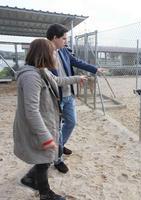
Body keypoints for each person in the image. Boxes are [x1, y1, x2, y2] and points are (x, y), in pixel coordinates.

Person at [13, 38, 86, 200]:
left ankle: (30, 178)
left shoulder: (42, 70)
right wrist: (46, 137)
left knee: (50, 153)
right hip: (38, 125)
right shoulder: (31, 76)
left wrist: (76, 78)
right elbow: (31, 111)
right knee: (46, 153)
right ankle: (45, 194)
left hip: (48, 121)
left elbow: (58, 80)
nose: (56, 55)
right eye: (53, 52)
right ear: (45, 54)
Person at [46, 23, 103, 173]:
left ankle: (60, 145)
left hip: (68, 95)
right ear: (54, 38)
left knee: (71, 122)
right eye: (64, 38)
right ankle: (58, 160)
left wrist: (95, 69)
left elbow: (77, 62)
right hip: (54, 98)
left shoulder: (64, 51)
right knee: (56, 129)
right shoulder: (44, 53)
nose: (66, 41)